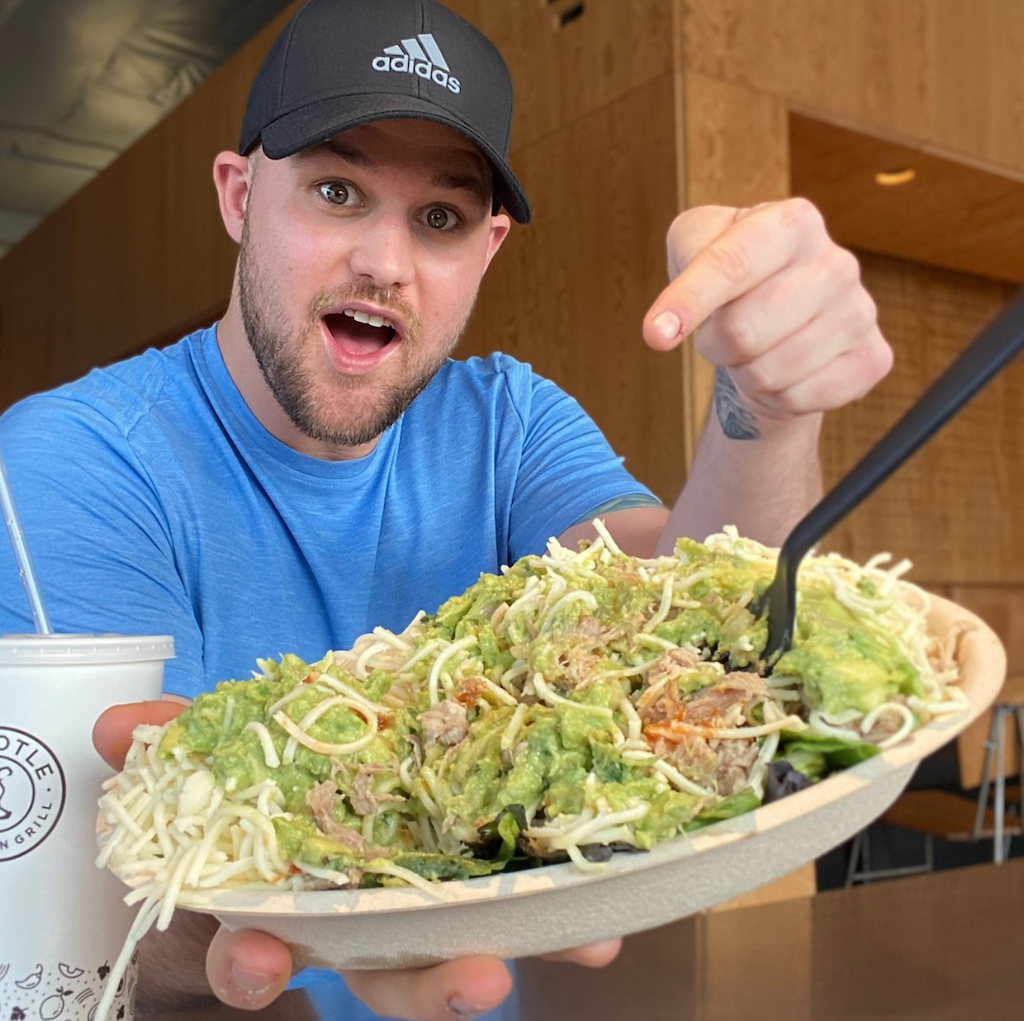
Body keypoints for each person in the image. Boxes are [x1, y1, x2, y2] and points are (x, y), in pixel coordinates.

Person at [0, 0, 892, 1018]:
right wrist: (340, 901)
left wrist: (765, 411)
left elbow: (690, 620)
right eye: (338, 190)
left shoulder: (508, 420)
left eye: (440, 218)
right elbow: (84, 904)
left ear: (489, 246)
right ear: (239, 195)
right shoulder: (77, 457)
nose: (386, 261)